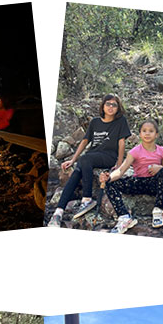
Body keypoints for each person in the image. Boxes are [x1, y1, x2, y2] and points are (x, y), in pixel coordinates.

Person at [48, 94, 131, 227]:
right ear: (102, 106)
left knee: (85, 159)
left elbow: (122, 143)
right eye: (108, 104)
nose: (111, 107)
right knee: (76, 173)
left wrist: (119, 165)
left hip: (108, 156)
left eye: (114, 105)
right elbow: (85, 141)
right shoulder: (95, 122)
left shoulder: (120, 121)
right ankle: (58, 213)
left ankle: (86, 199)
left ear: (118, 108)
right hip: (91, 157)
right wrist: (73, 159)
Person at [100, 118, 163, 233]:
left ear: (156, 134)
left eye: (151, 131)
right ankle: (124, 217)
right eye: (144, 131)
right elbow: (121, 170)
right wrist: (109, 177)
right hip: (139, 182)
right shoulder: (134, 151)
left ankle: (158, 211)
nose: (147, 133)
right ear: (140, 134)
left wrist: (160, 168)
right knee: (110, 183)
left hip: (155, 185)